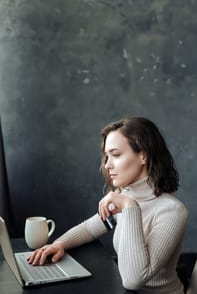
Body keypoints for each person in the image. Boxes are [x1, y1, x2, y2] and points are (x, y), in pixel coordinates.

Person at [28, 117, 188, 293]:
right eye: (107, 156)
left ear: (143, 155)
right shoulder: (124, 196)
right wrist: (59, 244)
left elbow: (133, 280)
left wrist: (130, 207)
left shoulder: (172, 211)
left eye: (116, 155)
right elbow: (90, 228)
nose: (107, 165)